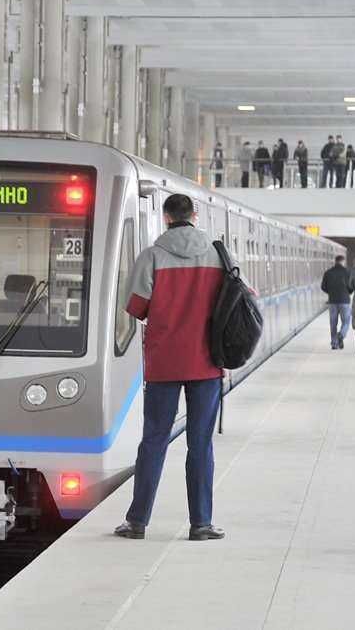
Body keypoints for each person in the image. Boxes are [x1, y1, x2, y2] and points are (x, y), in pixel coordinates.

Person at [113, 193, 226, 542]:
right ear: (194, 216)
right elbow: (238, 299)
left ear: (166, 218)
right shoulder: (219, 255)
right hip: (207, 362)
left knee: (154, 441)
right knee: (201, 443)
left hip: (163, 363)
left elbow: (136, 307)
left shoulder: (152, 256)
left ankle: (137, 522)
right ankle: (201, 524)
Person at [321, 254, 353, 350]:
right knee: (346, 321)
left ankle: (334, 343)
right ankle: (341, 335)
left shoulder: (328, 272)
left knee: (333, 323)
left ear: (335, 261)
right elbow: (351, 286)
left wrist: (330, 292)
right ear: (343, 262)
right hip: (344, 300)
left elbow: (323, 287)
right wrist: (348, 292)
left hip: (332, 301)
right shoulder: (348, 272)